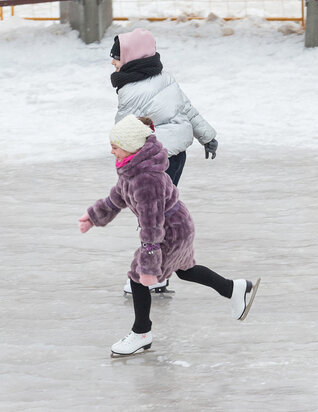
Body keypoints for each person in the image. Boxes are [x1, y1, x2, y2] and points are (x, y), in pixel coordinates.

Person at [78, 115, 259, 356]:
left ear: (131, 147)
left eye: (115, 147)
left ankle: (141, 334)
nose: (111, 152)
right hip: (177, 225)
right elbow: (116, 198)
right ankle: (233, 288)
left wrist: (149, 265)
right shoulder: (131, 170)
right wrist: (93, 216)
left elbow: (151, 225)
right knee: (185, 270)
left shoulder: (146, 179)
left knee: (137, 276)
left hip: (170, 231)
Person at [110, 28, 219, 295]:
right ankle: (158, 272)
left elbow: (124, 130)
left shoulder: (131, 90)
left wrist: (124, 165)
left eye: (116, 57)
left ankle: (152, 273)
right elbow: (188, 109)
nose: (112, 63)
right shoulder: (164, 78)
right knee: (162, 212)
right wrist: (208, 137)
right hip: (177, 155)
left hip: (152, 160)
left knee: (151, 216)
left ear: (131, 57)